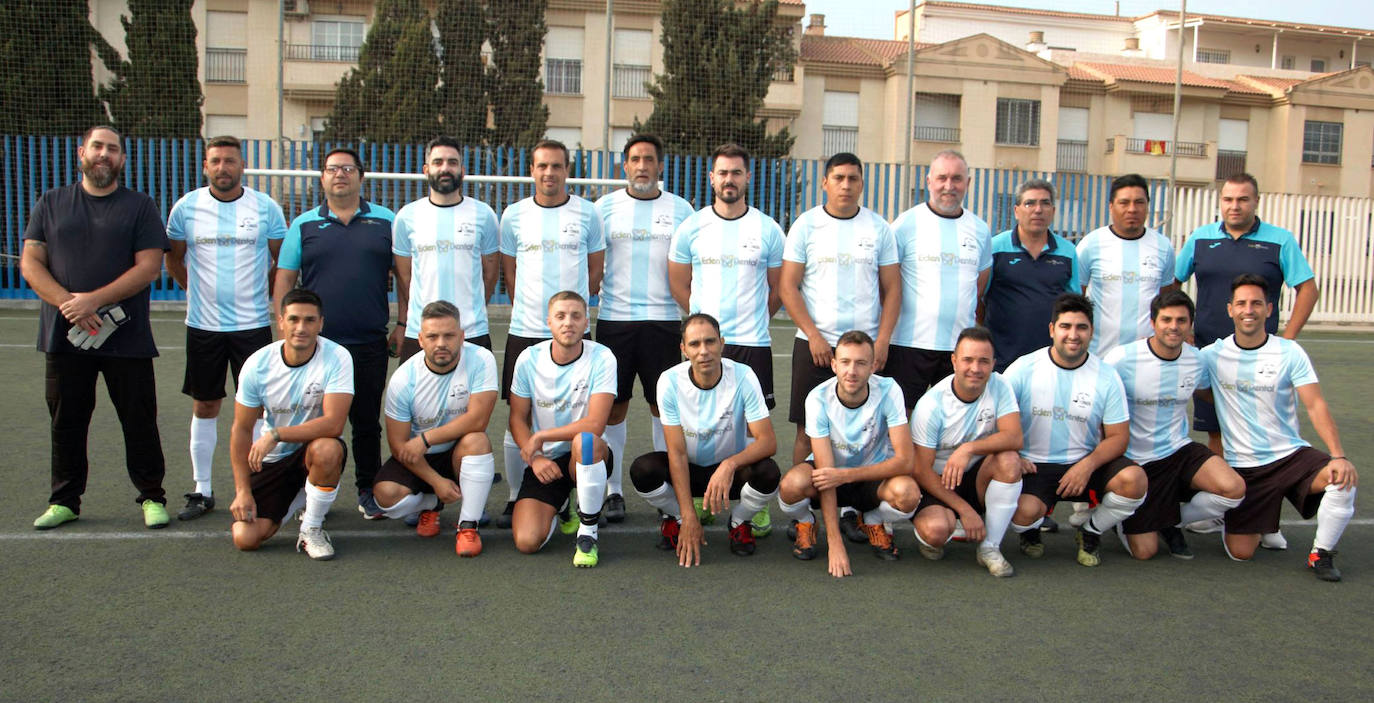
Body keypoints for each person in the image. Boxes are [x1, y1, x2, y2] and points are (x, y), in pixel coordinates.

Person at [23, 125, 171, 531]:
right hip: (65, 335)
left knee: (139, 419)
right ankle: (65, 500)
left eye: (113, 149)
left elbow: (148, 267)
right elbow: (31, 262)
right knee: (66, 420)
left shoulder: (140, 206)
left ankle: (152, 497)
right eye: (98, 147)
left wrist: (95, 300)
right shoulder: (51, 203)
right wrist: (69, 304)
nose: (104, 154)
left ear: (122, 159)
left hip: (126, 337)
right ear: (81, 153)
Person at [1197, 274, 1356, 581]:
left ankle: (1320, 554)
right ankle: (1265, 522)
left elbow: (1315, 404)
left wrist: (1338, 454)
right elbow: (1194, 386)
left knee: (1342, 477)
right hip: (1244, 468)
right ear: (1230, 309)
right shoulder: (1211, 356)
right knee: (1241, 553)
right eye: (1241, 303)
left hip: (1289, 457)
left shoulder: (1289, 352)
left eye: (1256, 303)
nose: (1249, 310)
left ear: (1269, 309)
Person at [274, 147, 402, 520]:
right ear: (322, 178)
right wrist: (283, 329)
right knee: (310, 423)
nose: (340, 175)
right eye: (332, 169)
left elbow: (406, 278)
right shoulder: (304, 224)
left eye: (348, 169)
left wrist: (403, 323)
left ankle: (368, 490)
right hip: (315, 347)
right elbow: (284, 278)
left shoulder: (385, 221)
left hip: (368, 342)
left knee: (365, 422)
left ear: (361, 176)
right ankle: (307, 493)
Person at [164, 134, 286, 521]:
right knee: (205, 404)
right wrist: (196, 291)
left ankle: (261, 484)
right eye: (215, 161)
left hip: (252, 326)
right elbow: (174, 260)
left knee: (260, 409)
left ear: (241, 166)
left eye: (230, 161)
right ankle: (202, 489)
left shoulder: (265, 208)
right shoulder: (186, 208)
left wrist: (261, 294)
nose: (223, 167)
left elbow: (280, 264)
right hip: (203, 326)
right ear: (206, 166)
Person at [496, 140, 605, 528]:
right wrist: (532, 311)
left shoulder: (588, 214)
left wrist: (571, 313)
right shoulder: (513, 215)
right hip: (526, 328)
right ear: (532, 169)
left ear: (566, 170)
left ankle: (584, 496)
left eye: (556, 166)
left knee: (582, 414)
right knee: (519, 413)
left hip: (574, 329)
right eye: (542, 166)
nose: (549, 173)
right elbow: (510, 272)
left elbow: (595, 271)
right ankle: (516, 494)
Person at [1175, 172, 1318, 463]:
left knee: (1264, 427)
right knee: (1216, 431)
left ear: (1256, 201)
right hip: (1210, 354)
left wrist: (1287, 339)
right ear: (1221, 202)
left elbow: (1308, 289)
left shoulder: (1280, 240)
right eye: (1228, 199)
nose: (1234, 206)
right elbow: (1172, 284)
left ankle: (1260, 487)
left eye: (1243, 199)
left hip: (1261, 356)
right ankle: (1226, 496)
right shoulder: (1200, 238)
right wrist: (1185, 328)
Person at [1003, 293, 1147, 567]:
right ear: (1052, 330)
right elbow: (996, 424)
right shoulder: (1023, 369)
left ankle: (1090, 531)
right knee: (1023, 513)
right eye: (1066, 326)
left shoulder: (1106, 375)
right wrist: (1013, 455)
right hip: (1034, 466)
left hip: (1084, 463)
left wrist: (1087, 465)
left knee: (1134, 480)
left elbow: (1119, 437)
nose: (1073, 335)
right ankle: (1030, 530)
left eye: (1081, 327)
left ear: (1091, 332)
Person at [595, 133, 694, 524]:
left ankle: (664, 489)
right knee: (613, 409)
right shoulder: (602, 208)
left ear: (660, 165)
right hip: (615, 321)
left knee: (661, 406)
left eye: (648, 160)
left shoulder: (682, 210)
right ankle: (613, 490)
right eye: (634, 159)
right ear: (624, 165)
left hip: (664, 322)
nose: (641, 166)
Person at [1102, 290, 1245, 560]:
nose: (1173, 327)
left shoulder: (1197, 359)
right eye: (1166, 319)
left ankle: (1171, 520)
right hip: (1134, 459)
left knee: (1232, 489)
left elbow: (1208, 393)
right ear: (1153, 322)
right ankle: (1122, 519)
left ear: (1190, 324)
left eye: (1181, 320)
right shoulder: (1121, 359)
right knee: (1145, 553)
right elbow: (1099, 405)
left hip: (1178, 450)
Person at [779, 152, 901, 468]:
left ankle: (855, 508)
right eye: (838, 178)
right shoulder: (806, 225)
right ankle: (803, 509)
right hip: (815, 346)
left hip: (865, 350)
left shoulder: (879, 228)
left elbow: (893, 289)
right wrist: (814, 336)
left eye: (852, 178)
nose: (845, 185)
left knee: (868, 433)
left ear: (861, 184)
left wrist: (883, 340)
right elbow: (787, 286)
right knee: (807, 432)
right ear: (825, 183)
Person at [629, 313, 780, 564]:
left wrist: (729, 464)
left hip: (729, 475)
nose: (704, 351)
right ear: (683, 349)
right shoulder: (669, 381)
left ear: (722, 343)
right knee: (643, 470)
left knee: (768, 472)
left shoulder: (744, 376)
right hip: (689, 471)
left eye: (710, 342)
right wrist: (688, 515)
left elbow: (768, 442)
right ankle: (677, 518)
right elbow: (676, 452)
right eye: (695, 344)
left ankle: (740, 521)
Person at [776, 331, 920, 578]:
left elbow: (905, 461)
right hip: (829, 474)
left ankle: (872, 520)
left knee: (908, 494)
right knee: (790, 485)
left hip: (869, 475)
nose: (852, 371)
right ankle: (806, 522)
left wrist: (846, 475)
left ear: (873, 366)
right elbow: (825, 471)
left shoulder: (889, 390)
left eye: (861, 363)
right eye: (845, 362)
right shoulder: (818, 398)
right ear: (834, 364)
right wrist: (835, 544)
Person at [229, 288, 353, 560]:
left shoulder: (338, 357)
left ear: (320, 323)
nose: (301, 327)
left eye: (310, 320)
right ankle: (302, 495)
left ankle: (312, 528)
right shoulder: (257, 364)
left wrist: (276, 433)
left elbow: (334, 424)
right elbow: (241, 428)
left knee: (328, 449)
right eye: (294, 319)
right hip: (273, 461)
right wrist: (242, 491)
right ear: (281, 321)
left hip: (311, 452)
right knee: (245, 538)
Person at [371, 301, 498, 556]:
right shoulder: (403, 379)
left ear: (462, 337)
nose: (441, 343)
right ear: (420, 340)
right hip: (421, 458)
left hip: (458, 452)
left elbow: (478, 420)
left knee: (477, 440)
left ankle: (468, 526)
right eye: (432, 336)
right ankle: (432, 503)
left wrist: (426, 439)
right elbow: (399, 445)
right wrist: (436, 482)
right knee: (385, 496)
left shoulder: (481, 359)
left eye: (449, 335)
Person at [668, 142, 784, 410]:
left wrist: (756, 315)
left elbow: (778, 288)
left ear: (748, 177)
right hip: (703, 345)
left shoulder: (768, 229)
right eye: (722, 173)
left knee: (751, 425)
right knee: (699, 416)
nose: (729, 179)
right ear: (712, 178)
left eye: (736, 173)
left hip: (752, 342)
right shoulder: (691, 228)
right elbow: (677, 284)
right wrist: (702, 320)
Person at [508, 292, 617, 567]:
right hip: (546, 462)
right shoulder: (528, 359)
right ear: (549, 322)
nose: (568, 322)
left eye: (576, 316)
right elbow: (517, 419)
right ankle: (564, 506)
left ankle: (588, 531)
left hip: (588, 455)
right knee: (526, 541)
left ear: (586, 322)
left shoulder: (603, 357)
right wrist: (536, 458)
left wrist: (541, 437)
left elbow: (596, 423)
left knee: (586, 440)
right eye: (560, 316)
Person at [908, 326, 1024, 577]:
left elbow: (1014, 437)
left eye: (984, 361)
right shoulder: (931, 405)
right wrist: (965, 510)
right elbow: (920, 471)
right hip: (937, 482)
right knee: (936, 533)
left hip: (975, 476)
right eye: (968, 360)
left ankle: (990, 547)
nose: (976, 368)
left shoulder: (1000, 385)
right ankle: (952, 522)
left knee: (1010, 460)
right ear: (954, 361)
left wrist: (968, 449)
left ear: (993, 363)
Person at [888, 150, 992, 409]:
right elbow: (887, 284)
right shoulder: (905, 225)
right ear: (928, 181)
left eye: (957, 179)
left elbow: (978, 286)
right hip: (908, 344)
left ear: (968, 183)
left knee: (952, 421)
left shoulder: (980, 229)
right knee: (901, 420)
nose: (949, 186)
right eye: (942, 177)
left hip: (959, 349)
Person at [392, 135, 500, 359]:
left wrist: (473, 309)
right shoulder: (407, 216)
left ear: (462, 170)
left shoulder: (484, 214)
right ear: (426, 169)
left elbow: (490, 275)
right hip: (421, 332)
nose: (445, 168)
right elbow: (405, 277)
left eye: (452, 162)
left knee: (476, 395)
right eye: (438, 162)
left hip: (472, 331)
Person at [983, 179, 1080, 373]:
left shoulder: (1068, 252)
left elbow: (1074, 306)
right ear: (1017, 210)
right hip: (1002, 360)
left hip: (1050, 362)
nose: (1038, 210)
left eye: (1045, 203)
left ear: (1053, 211)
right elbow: (978, 300)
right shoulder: (995, 248)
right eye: (1030, 203)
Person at [1076, 173, 1176, 357]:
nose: (1132, 209)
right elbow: (1076, 301)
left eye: (1139, 202)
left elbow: (1167, 304)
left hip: (1147, 358)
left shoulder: (1163, 247)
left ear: (1147, 206)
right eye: (1124, 203)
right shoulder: (1090, 245)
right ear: (1111, 207)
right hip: (1099, 355)